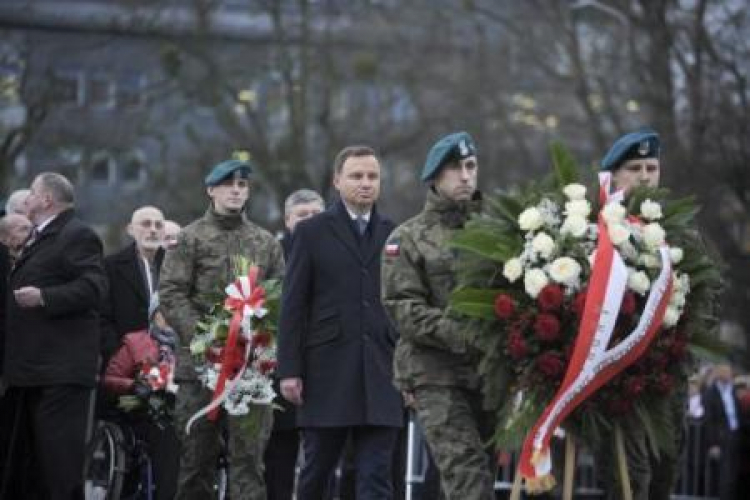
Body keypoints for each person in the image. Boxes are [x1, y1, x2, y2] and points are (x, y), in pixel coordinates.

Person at [277, 145, 403, 500]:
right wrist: (289, 369)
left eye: (372, 176)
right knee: (317, 472)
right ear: (337, 181)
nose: (366, 183)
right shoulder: (311, 232)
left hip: (381, 371)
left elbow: (403, 305)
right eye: (357, 176)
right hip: (326, 372)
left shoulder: (395, 234)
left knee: (376, 476)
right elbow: (293, 306)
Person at [159, 158, 285, 500]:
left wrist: (260, 337)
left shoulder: (265, 242)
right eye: (228, 184)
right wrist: (205, 336)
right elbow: (171, 294)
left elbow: (278, 297)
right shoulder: (189, 238)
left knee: (249, 463)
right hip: (200, 369)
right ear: (211, 190)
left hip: (250, 369)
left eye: (242, 185)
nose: (235, 190)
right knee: (196, 463)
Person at [381, 131, 495, 500]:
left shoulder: (498, 233)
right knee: (467, 477)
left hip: (490, 376)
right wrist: (466, 334)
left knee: (482, 474)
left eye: (470, 166)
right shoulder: (409, 237)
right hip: (435, 375)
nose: (465, 176)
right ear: (434, 178)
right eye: (454, 169)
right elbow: (403, 308)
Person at [2, 172, 107, 499]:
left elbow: (94, 287)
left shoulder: (77, 235)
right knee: (29, 466)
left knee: (58, 466)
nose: (27, 200)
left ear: (47, 199)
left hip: (59, 372)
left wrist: (45, 297)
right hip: (31, 372)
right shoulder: (42, 236)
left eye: (32, 193)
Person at [598, 127, 686, 500]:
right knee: (630, 481)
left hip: (667, 378)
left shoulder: (680, 233)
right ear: (615, 176)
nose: (646, 176)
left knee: (664, 478)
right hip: (617, 378)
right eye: (635, 168)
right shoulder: (596, 233)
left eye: (652, 167)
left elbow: (703, 304)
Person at [265, 188, 324, 500]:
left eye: (316, 215)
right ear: (288, 220)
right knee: (279, 458)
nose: (310, 221)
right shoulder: (272, 256)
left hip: (327, 368)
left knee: (324, 460)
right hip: (282, 367)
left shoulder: (339, 252)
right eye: (303, 216)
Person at [101, 206, 167, 360]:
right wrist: (120, 354)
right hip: (125, 361)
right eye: (146, 224)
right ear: (130, 229)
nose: (153, 230)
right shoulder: (110, 267)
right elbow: (102, 318)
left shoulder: (179, 266)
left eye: (158, 225)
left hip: (171, 360)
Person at [702, 361, 741, 500]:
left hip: (735, 434)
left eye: (729, 371)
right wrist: (713, 443)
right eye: (725, 371)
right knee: (724, 474)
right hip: (721, 437)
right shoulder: (710, 393)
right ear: (719, 374)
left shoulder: (732, 390)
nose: (729, 374)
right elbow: (709, 420)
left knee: (734, 472)